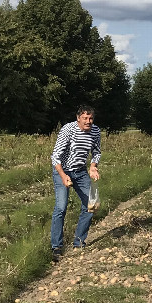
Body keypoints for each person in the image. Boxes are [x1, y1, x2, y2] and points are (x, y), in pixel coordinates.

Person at [50, 104, 101, 261]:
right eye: (85, 118)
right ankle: (56, 247)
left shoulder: (95, 131)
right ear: (78, 118)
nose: (88, 121)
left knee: (91, 204)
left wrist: (93, 167)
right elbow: (55, 155)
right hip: (62, 171)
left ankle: (78, 242)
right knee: (61, 207)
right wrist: (63, 175)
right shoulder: (68, 129)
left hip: (80, 171)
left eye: (90, 118)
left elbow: (97, 152)